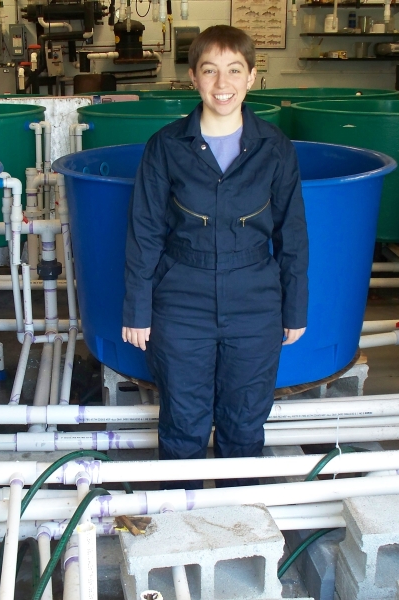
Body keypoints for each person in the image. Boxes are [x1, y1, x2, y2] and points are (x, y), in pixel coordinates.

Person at [121, 25, 309, 488]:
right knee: (183, 421)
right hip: (182, 296)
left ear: (251, 77)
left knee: (244, 421)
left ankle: (237, 523)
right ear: (193, 78)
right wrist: (137, 309)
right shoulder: (166, 147)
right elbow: (144, 231)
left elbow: (293, 233)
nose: (222, 84)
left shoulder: (274, 148)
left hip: (255, 298)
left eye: (233, 71)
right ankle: (182, 523)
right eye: (210, 71)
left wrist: (295, 307)